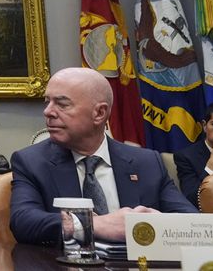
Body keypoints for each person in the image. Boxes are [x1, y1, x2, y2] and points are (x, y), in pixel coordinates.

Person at [10, 67, 196, 245]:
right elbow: (23, 221)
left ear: (99, 113)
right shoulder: (31, 162)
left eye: (62, 104)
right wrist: (92, 224)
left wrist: (159, 223)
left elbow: (191, 222)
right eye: (47, 101)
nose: (48, 111)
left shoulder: (147, 163)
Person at [174, 101, 213, 206]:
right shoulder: (186, 157)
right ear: (204, 126)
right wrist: (211, 166)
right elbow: (191, 198)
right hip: (205, 219)